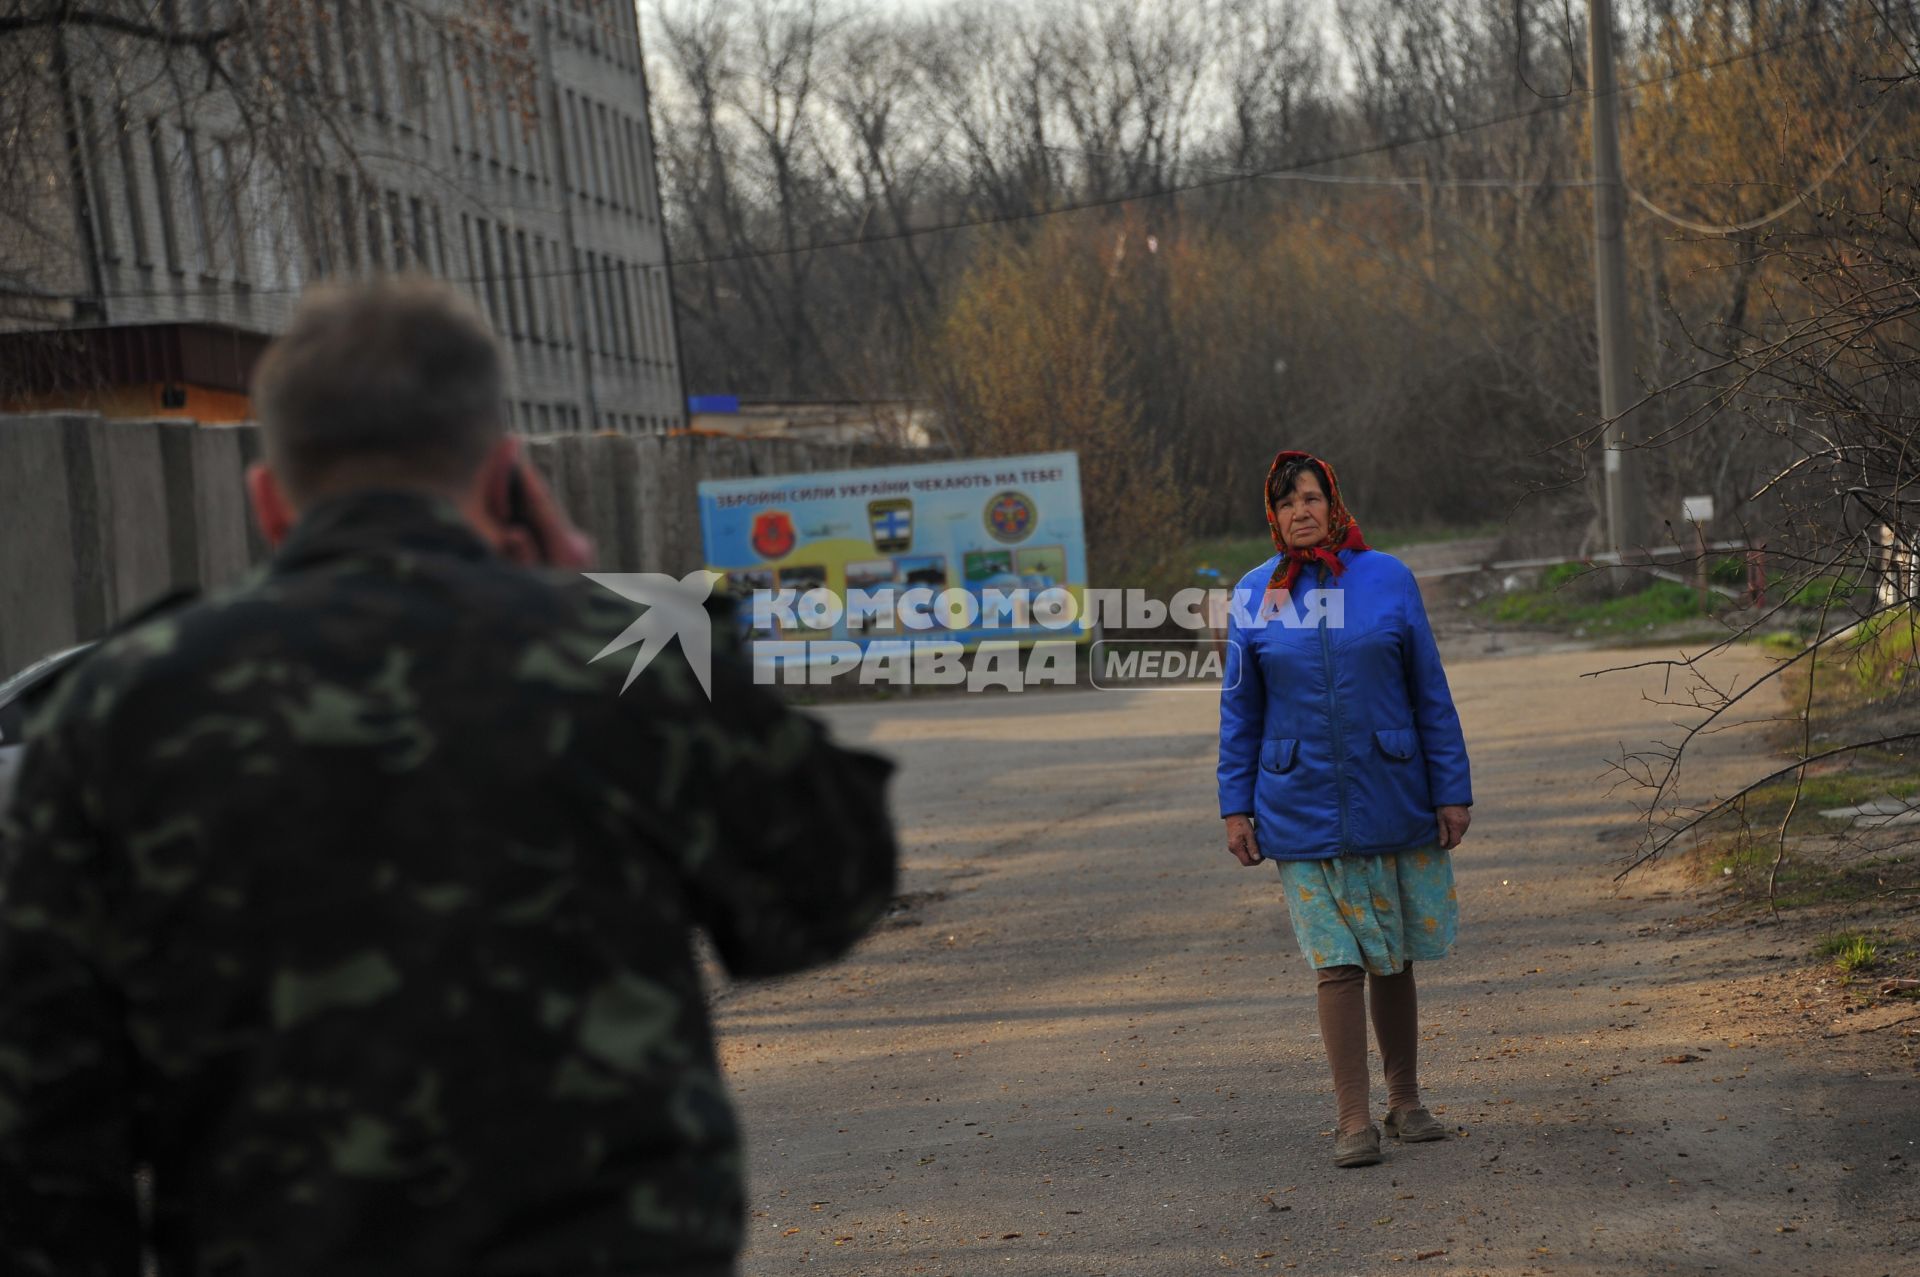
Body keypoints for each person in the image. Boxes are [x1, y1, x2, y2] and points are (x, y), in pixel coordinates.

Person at [0, 276, 898, 1275]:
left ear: (266, 498)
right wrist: (599, 601)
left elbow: (44, 1119)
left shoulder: (120, 711)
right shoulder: (610, 666)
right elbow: (830, 884)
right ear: (506, 471)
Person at [1217, 450, 1472, 1169]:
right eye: (1286, 500)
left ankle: (1406, 1100)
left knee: (1392, 958)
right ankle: (1353, 1117)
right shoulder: (1253, 593)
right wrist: (1236, 805)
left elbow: (1430, 689)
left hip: (1392, 789)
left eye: (1311, 496)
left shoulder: (1387, 579)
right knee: (1336, 963)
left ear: (1334, 503)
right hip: (1297, 804)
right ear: (1273, 516)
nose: (1301, 510)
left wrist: (1451, 787)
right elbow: (1239, 709)